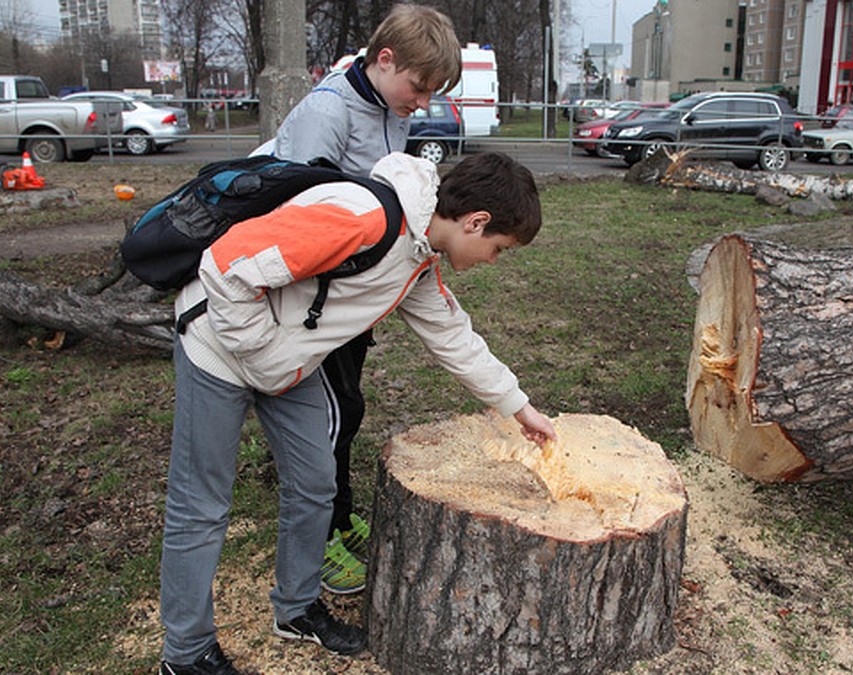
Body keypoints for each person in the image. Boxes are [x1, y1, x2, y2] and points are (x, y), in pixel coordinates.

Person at [157, 151, 557, 674]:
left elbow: (452, 336)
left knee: (315, 482)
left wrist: (518, 407)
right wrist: (263, 355)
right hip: (221, 349)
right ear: (475, 222)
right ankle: (185, 654)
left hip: (283, 364)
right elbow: (227, 266)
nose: (493, 260)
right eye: (498, 248)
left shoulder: (417, 256)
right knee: (202, 505)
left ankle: (296, 609)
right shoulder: (362, 218)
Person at [270, 3, 463, 596]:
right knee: (329, 416)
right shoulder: (328, 110)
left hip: (354, 297)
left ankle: (339, 510)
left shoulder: (387, 104)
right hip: (314, 302)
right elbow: (293, 211)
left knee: (347, 408)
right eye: (420, 87)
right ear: (385, 60)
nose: (424, 104)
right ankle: (320, 536)